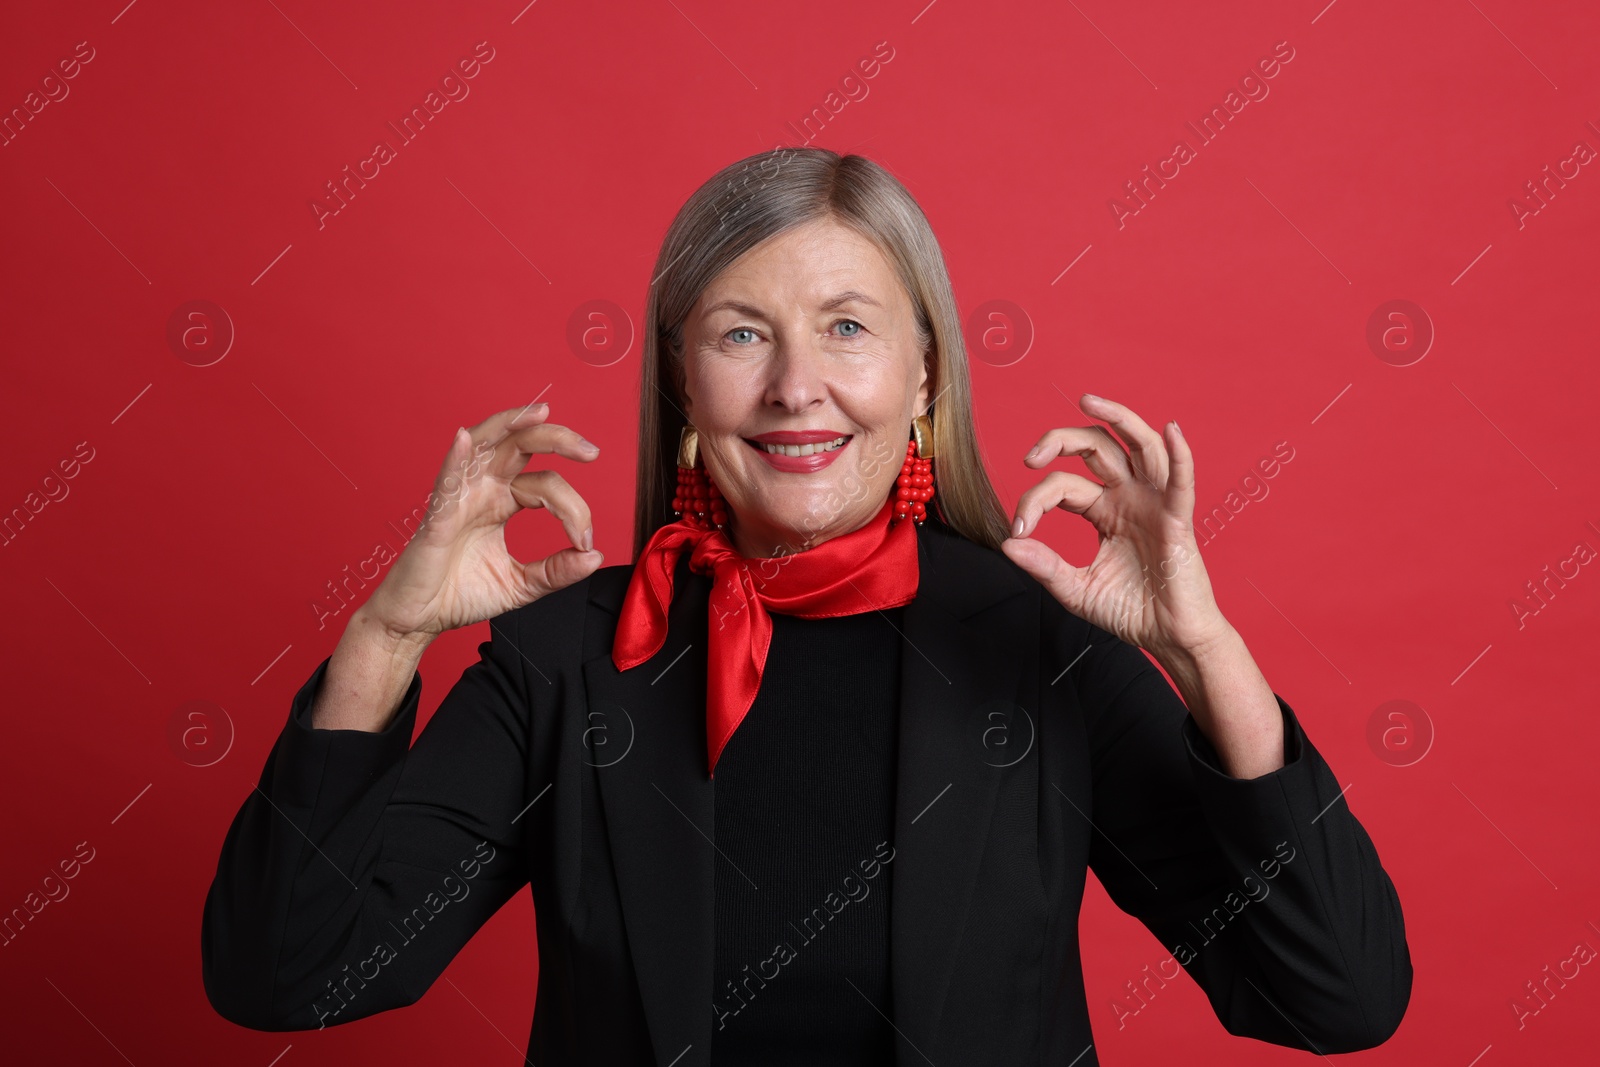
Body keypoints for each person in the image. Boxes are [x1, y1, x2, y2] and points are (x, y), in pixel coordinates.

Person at [200, 147, 1412, 1065]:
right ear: (683, 375)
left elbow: (1336, 995)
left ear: (923, 370)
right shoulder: (570, 655)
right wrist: (387, 637)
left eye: (846, 327)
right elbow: (287, 975)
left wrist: (1205, 655)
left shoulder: (1041, 644)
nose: (795, 388)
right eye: (741, 334)